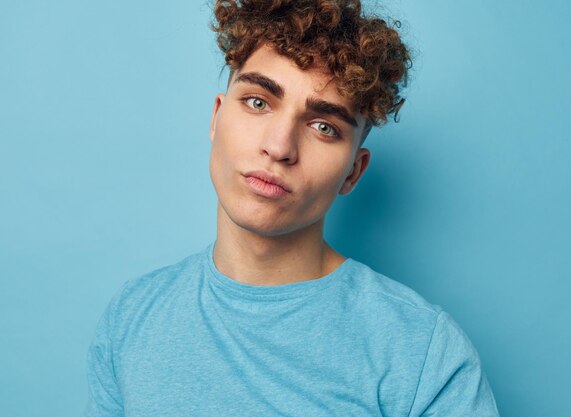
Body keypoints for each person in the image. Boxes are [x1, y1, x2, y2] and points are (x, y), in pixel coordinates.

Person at [84, 0, 500, 415]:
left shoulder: (423, 353)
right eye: (258, 102)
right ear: (216, 118)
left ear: (353, 173)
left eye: (324, 127)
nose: (279, 147)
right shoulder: (132, 317)